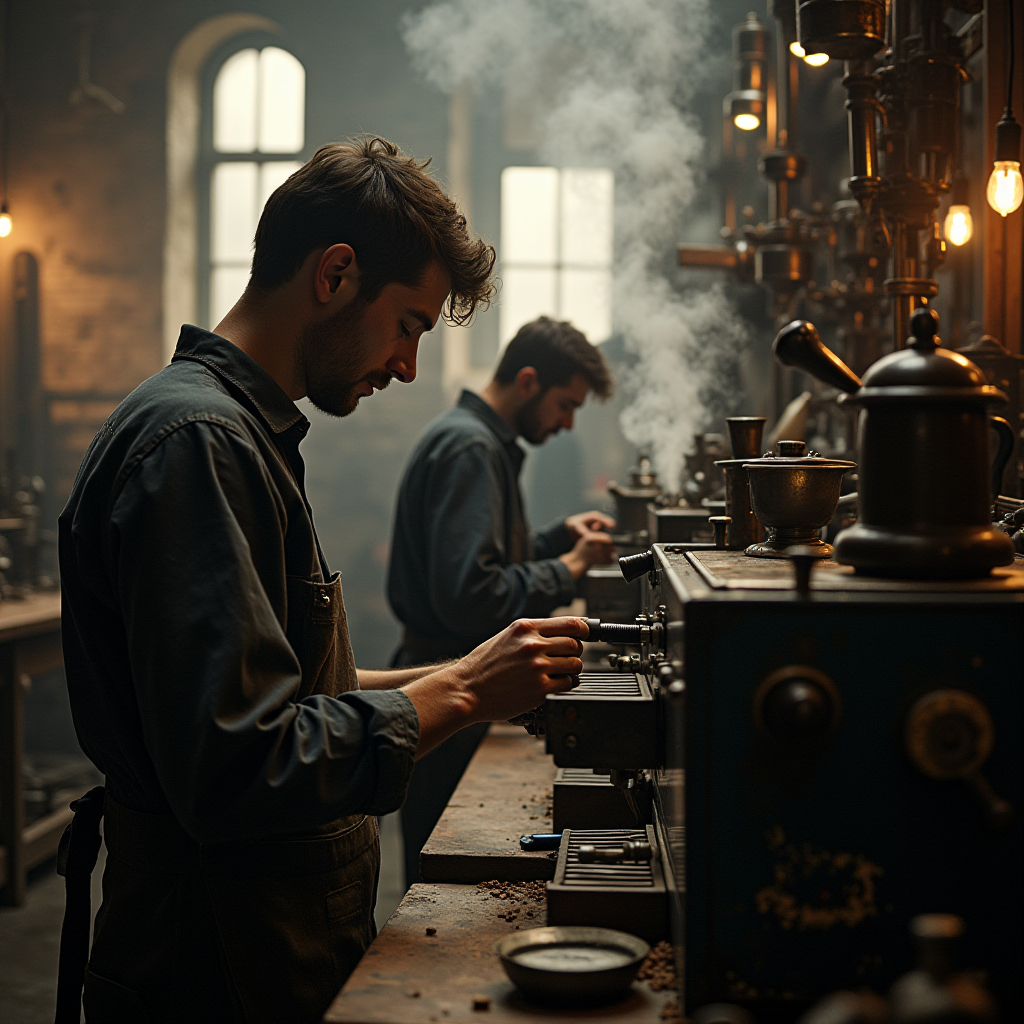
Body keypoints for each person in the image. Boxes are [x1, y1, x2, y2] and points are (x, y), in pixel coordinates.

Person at [57, 137, 589, 1024]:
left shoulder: (242, 433)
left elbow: (299, 690)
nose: (409, 365)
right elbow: (239, 763)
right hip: (217, 964)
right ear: (336, 274)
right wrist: (455, 691)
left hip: (262, 942)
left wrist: (472, 673)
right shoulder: (198, 444)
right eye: (410, 325)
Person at [387, 316, 616, 885]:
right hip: (448, 686)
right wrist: (571, 566)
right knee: (439, 880)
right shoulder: (470, 447)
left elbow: (485, 562)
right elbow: (473, 597)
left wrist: (554, 536)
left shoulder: (477, 439)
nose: (566, 425)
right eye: (566, 405)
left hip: (460, 680)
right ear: (530, 381)